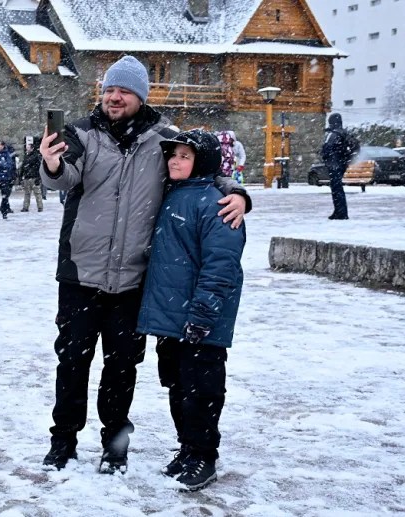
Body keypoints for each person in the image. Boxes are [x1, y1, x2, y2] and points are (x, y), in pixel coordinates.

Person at [38, 55, 249, 474]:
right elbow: (62, 176)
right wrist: (50, 161)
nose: (114, 97)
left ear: (140, 96)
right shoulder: (81, 132)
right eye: (109, 90)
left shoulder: (165, 139)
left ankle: (115, 443)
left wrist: (237, 192)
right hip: (82, 273)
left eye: (124, 91)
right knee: (73, 362)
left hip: (135, 280)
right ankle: (62, 441)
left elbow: (201, 169)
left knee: (122, 368)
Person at [136, 129, 246, 491]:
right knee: (178, 386)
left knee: (203, 389)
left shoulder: (216, 203)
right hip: (171, 319)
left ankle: (204, 454)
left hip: (200, 319)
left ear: (203, 161)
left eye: (185, 156)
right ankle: (187, 448)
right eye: (173, 155)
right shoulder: (173, 194)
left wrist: (203, 314)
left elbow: (221, 265)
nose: (174, 161)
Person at [320, 113, 356, 220]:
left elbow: (327, 148)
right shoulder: (344, 133)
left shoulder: (333, 134)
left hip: (333, 164)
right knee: (338, 188)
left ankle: (340, 212)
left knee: (336, 189)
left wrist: (325, 156)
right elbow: (353, 148)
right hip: (341, 164)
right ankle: (340, 211)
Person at [20, 140, 43, 212]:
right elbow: (23, 166)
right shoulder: (26, 156)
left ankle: (40, 207)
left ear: (32, 148)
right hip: (27, 177)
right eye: (27, 147)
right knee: (27, 193)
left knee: (37, 193)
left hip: (34, 177)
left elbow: (39, 167)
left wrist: (39, 177)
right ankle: (25, 207)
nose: (27, 148)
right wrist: (21, 175)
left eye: (28, 147)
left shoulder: (36, 156)